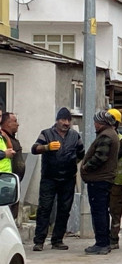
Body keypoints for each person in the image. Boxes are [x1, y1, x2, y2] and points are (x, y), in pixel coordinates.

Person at [31, 107, 85, 251]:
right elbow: (34, 149)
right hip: (49, 177)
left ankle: (57, 240)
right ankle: (39, 241)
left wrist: (73, 164)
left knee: (64, 209)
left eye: (68, 120)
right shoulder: (46, 134)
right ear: (57, 120)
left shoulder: (75, 136)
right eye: (63, 120)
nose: (66, 123)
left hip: (68, 178)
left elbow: (81, 153)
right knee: (44, 208)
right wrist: (46, 147)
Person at [80, 111, 120, 255]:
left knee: (99, 212)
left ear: (101, 123)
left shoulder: (106, 136)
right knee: (102, 210)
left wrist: (86, 167)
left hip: (99, 180)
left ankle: (102, 243)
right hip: (103, 179)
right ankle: (104, 242)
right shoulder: (111, 133)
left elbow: (100, 157)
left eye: (96, 122)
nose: (94, 124)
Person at [107, 108, 122, 249]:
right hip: (105, 181)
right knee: (104, 211)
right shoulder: (103, 138)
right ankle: (104, 238)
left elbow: (111, 158)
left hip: (116, 182)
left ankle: (113, 239)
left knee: (115, 212)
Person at [0, 112, 23, 223]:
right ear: (7, 123)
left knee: (10, 217)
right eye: (15, 121)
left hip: (11, 183)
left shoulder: (7, 138)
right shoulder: (2, 137)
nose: (17, 124)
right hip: (4, 181)